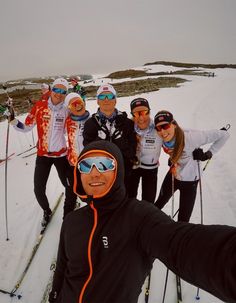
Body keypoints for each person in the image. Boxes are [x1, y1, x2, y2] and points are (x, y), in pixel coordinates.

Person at [49, 140, 236, 303]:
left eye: (105, 164)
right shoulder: (72, 221)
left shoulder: (139, 217)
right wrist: (55, 295)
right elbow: (63, 267)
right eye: (86, 165)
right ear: (79, 174)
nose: (95, 172)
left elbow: (179, 243)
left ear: (119, 171)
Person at [10, 78, 77, 224]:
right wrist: (14, 121)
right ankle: (46, 211)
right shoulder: (40, 106)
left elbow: (73, 129)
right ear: (51, 90)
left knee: (70, 186)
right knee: (38, 190)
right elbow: (26, 127)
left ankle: (70, 212)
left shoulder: (67, 110)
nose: (59, 94)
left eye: (63, 91)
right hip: (43, 156)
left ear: (66, 93)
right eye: (56, 90)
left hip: (61, 155)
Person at [154, 110, 230, 222]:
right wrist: (173, 159)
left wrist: (207, 154)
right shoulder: (162, 138)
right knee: (158, 204)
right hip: (173, 175)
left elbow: (224, 135)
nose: (162, 131)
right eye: (158, 128)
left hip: (190, 182)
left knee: (183, 219)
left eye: (165, 126)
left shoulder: (192, 138)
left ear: (174, 124)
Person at [83, 83, 137, 188]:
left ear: (115, 100)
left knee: (126, 201)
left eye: (110, 96)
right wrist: (99, 140)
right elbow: (88, 153)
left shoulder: (127, 123)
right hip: (100, 174)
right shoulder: (90, 124)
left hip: (124, 173)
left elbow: (132, 152)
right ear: (97, 101)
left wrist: (120, 140)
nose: (106, 99)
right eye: (102, 96)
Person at [128, 97, 162, 202]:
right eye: (137, 113)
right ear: (132, 115)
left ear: (149, 112)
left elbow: (174, 138)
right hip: (133, 167)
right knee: (129, 199)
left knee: (148, 202)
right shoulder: (128, 128)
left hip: (150, 169)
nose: (141, 117)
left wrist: (175, 154)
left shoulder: (158, 128)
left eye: (144, 112)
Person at [64, 92, 90, 166]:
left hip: (89, 164)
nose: (77, 105)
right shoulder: (67, 122)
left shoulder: (93, 121)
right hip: (73, 163)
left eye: (79, 102)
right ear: (69, 109)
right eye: (73, 105)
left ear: (84, 103)